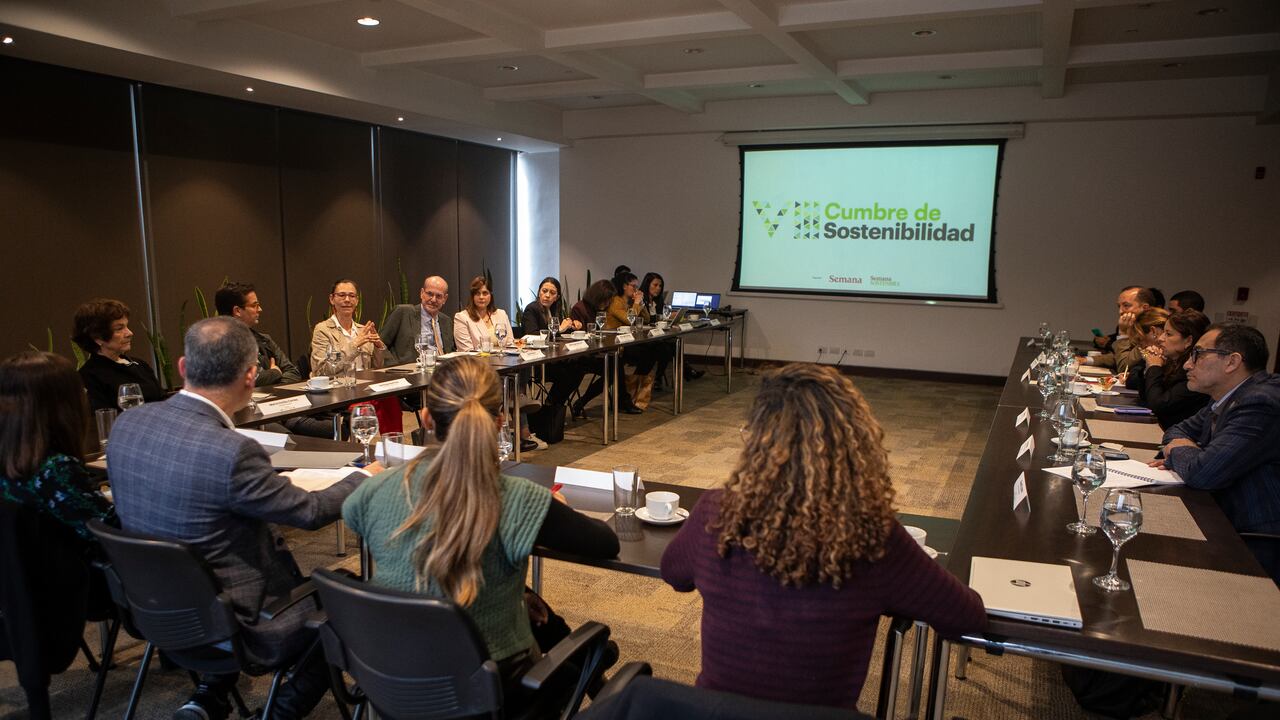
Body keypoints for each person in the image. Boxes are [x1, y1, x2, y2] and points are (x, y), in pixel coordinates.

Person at [660, 363, 986, 709]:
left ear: (758, 442)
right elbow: (967, 618)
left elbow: (674, 573)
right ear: (855, 445)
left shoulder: (716, 512)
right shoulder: (874, 538)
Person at [108, 317, 380, 720]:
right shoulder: (232, 451)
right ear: (251, 377)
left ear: (183, 367)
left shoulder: (127, 425)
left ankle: (208, 697)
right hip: (244, 621)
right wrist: (363, 477)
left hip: (156, 611)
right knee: (349, 595)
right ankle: (279, 713)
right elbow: (307, 513)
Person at [343, 356, 619, 690]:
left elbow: (362, 519)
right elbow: (606, 543)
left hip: (395, 677)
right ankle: (591, 664)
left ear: (427, 419)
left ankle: (588, 659)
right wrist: (552, 506)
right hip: (497, 686)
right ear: (501, 420)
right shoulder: (519, 500)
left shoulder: (375, 491)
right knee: (570, 665)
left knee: (540, 618)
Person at [1155, 324, 1280, 582]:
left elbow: (1203, 473)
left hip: (1254, 539)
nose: (1187, 365)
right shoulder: (1228, 395)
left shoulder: (1259, 402)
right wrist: (1185, 447)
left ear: (1232, 362)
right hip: (1218, 512)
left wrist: (1179, 451)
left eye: (1198, 354)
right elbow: (1176, 430)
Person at [0, 351, 115, 540]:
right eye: (80, 389)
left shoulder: (14, 461)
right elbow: (111, 531)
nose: (86, 393)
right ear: (60, 404)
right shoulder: (55, 469)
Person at [73, 298, 165, 411]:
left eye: (127, 326)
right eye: (119, 328)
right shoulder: (89, 376)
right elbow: (104, 418)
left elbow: (163, 402)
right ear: (98, 337)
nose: (130, 333)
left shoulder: (140, 365)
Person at [1127, 309, 1210, 429]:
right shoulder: (1171, 361)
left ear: (1188, 341)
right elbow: (1144, 394)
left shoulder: (1193, 371)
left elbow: (1158, 405)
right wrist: (1149, 366)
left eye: (1168, 334)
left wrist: (1155, 367)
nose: (1160, 338)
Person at [215, 281, 300, 387]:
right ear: (237, 311)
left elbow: (292, 372)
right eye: (254, 305)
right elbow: (243, 381)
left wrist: (273, 392)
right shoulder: (218, 345)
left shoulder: (264, 340)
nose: (260, 309)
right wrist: (275, 373)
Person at [522, 277, 585, 409]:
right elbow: (532, 335)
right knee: (570, 374)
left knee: (579, 366)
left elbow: (556, 336)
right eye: (544, 291)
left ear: (557, 297)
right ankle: (551, 407)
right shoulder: (531, 309)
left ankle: (553, 404)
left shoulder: (553, 310)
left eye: (552, 293)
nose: (547, 295)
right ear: (539, 292)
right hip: (536, 363)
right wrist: (560, 328)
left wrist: (571, 326)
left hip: (552, 358)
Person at [310, 279, 386, 374]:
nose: (347, 300)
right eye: (342, 295)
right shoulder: (322, 330)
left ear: (357, 301)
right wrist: (354, 345)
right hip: (339, 385)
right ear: (332, 299)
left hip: (365, 385)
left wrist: (378, 348)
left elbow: (377, 368)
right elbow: (321, 371)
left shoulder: (363, 330)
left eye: (352, 296)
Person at [569, 280, 619, 418]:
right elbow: (578, 336)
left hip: (595, 352)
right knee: (613, 367)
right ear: (598, 297)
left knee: (615, 366)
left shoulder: (599, 310)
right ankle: (581, 402)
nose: (608, 303)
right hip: (582, 356)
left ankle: (583, 401)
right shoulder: (580, 308)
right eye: (606, 300)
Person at [607, 272, 655, 413]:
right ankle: (627, 392)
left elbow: (645, 319)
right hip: (615, 343)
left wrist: (640, 303)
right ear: (623, 286)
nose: (636, 289)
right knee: (647, 354)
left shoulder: (628, 302)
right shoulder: (616, 301)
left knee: (654, 351)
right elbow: (630, 320)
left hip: (628, 341)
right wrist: (636, 303)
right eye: (633, 286)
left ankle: (632, 388)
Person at [381, 275, 455, 363]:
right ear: (422, 293)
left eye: (438, 296)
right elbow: (380, 344)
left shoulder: (446, 321)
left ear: (445, 299)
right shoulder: (403, 312)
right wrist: (394, 368)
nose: (433, 300)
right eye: (430, 294)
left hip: (442, 372)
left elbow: (451, 352)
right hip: (410, 372)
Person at [1086, 286, 1156, 371]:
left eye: (1126, 306)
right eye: (1119, 306)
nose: (1120, 311)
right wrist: (1086, 360)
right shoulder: (1136, 327)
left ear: (1145, 308)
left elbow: (1123, 367)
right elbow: (1119, 357)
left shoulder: (1152, 331)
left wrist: (1123, 333)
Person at [453, 275, 515, 353]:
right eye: (477, 294)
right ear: (472, 297)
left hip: (504, 362)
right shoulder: (462, 317)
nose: (481, 297)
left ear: (491, 295)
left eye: (485, 293)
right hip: (476, 363)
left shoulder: (501, 314)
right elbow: (466, 351)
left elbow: (510, 344)